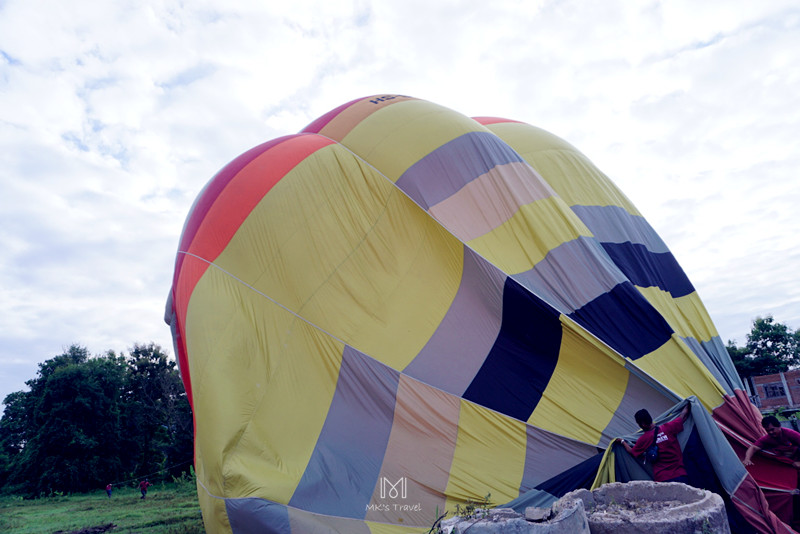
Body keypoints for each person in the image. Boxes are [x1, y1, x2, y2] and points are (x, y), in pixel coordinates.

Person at [616, 404, 691, 483]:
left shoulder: (644, 439)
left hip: (662, 478)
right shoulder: (668, 427)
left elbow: (632, 452)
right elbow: (683, 417)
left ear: (643, 425)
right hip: (680, 475)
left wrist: (622, 441)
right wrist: (689, 403)